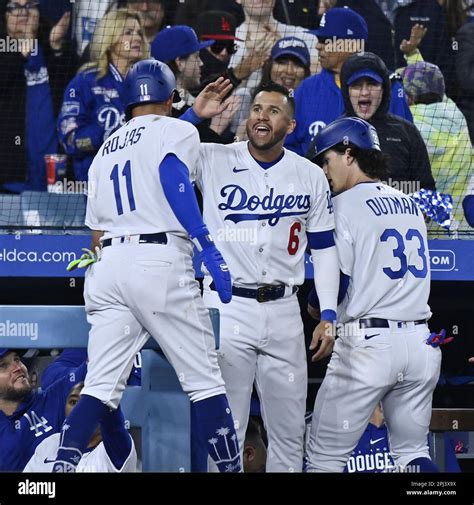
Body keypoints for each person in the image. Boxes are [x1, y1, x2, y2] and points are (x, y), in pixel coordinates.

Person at [51, 58, 242, 473]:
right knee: (205, 382)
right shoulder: (179, 129)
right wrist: (205, 242)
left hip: (108, 267)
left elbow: (97, 234)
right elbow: (171, 171)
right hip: (157, 263)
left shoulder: (105, 149)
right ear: (172, 97)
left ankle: (57, 473)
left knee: (99, 387)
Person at [195, 82, 340, 471]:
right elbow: (160, 153)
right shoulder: (212, 157)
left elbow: (325, 249)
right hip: (227, 307)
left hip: (283, 310)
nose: (261, 115)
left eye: (273, 110)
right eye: (257, 108)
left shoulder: (309, 174)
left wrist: (328, 314)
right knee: (227, 432)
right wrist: (196, 116)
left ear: (290, 125)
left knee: (290, 432)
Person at [305, 116, 441, 473]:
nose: (324, 169)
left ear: (348, 154)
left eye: (327, 159)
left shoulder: (343, 206)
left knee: (324, 459)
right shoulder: (410, 204)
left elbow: (340, 279)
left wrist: (315, 308)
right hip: (421, 343)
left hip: (368, 344)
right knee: (412, 452)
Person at [284, 7, 412, 157]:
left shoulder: (388, 87)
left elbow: (404, 146)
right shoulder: (307, 88)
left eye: (325, 41)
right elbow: (288, 145)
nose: (318, 46)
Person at [57, 9, 149, 182]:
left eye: (139, 33)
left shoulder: (148, 82)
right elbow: (69, 139)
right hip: (98, 183)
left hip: (141, 182)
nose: (137, 38)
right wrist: (110, 135)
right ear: (110, 39)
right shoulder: (86, 81)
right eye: (128, 33)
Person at [0, 0, 76, 192]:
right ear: (4, 15)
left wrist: (56, 47)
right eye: (15, 7)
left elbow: (71, 91)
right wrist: (19, 55)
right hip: (10, 175)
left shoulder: (52, 49)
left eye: (30, 5)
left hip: (54, 174)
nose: (23, 12)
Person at [338, 51, 436, 192]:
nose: (364, 92)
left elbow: (426, 189)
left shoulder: (407, 132)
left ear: (384, 90)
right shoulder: (331, 136)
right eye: (356, 85)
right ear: (346, 91)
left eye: (372, 84)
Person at [402, 61, 473, 228]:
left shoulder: (408, 126)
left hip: (428, 229)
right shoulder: (457, 116)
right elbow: (430, 83)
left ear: (409, 97)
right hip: (463, 225)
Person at [151, 25, 242, 143]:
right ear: (180, 63)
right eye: (196, 57)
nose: (201, 63)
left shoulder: (192, 100)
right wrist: (216, 128)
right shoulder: (162, 111)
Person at [0, 348, 86, 471]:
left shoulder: (57, 395)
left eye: (17, 359)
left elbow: (98, 366)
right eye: (3, 366)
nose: (17, 367)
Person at [24, 382, 137, 472]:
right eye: (73, 402)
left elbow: (110, 405)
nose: (78, 411)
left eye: (86, 405)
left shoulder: (115, 450)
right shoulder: (50, 443)